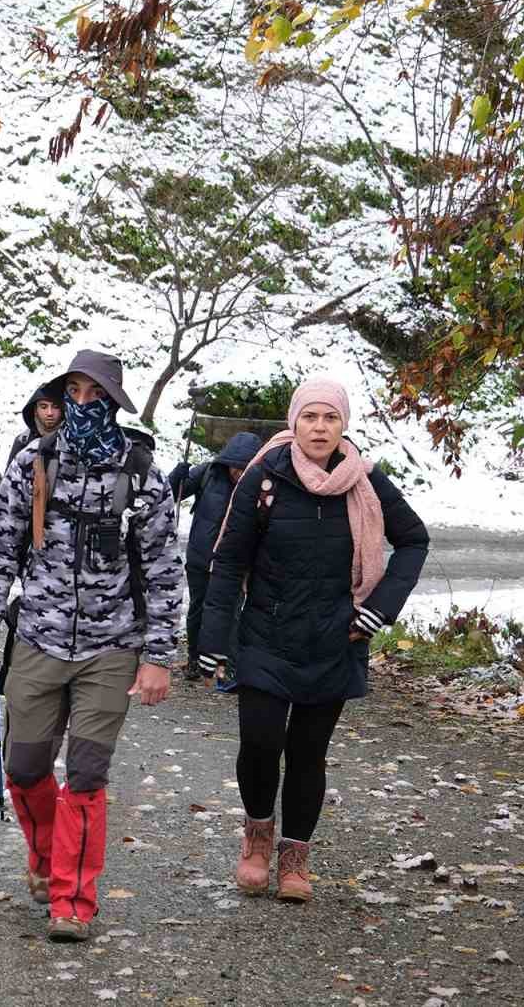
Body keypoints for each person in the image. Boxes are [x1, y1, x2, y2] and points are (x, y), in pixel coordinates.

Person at [0, 350, 184, 942]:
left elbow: (164, 568)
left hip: (112, 648)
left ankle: (73, 900)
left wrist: (159, 655)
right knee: (26, 767)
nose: (83, 405)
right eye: (74, 393)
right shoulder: (33, 463)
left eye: (96, 395)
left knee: (85, 776)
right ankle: (44, 855)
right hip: (37, 637)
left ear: (113, 402)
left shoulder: (141, 474)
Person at [200, 377, 428, 903]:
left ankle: (294, 856)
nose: (320, 427)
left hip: (334, 638)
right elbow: (229, 558)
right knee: (260, 742)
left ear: (343, 424)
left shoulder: (365, 482)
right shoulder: (264, 477)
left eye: (330, 418)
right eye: (310, 417)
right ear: (293, 422)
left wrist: (378, 610)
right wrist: (214, 637)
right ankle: (258, 834)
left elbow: (414, 541)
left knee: (308, 752)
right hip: (265, 634)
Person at [168, 431, 263, 678]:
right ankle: (195, 661)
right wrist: (178, 476)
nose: (239, 473)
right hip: (201, 557)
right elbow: (170, 495)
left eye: (245, 468)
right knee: (199, 610)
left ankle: (229, 667)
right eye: (235, 467)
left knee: (231, 613)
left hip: (234, 563)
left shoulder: (260, 484)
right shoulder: (209, 473)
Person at [7, 380, 66, 463]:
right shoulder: (23, 441)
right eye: (43, 407)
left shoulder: (72, 440)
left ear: (62, 410)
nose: (49, 413)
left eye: (55, 407)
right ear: (35, 410)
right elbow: (9, 474)